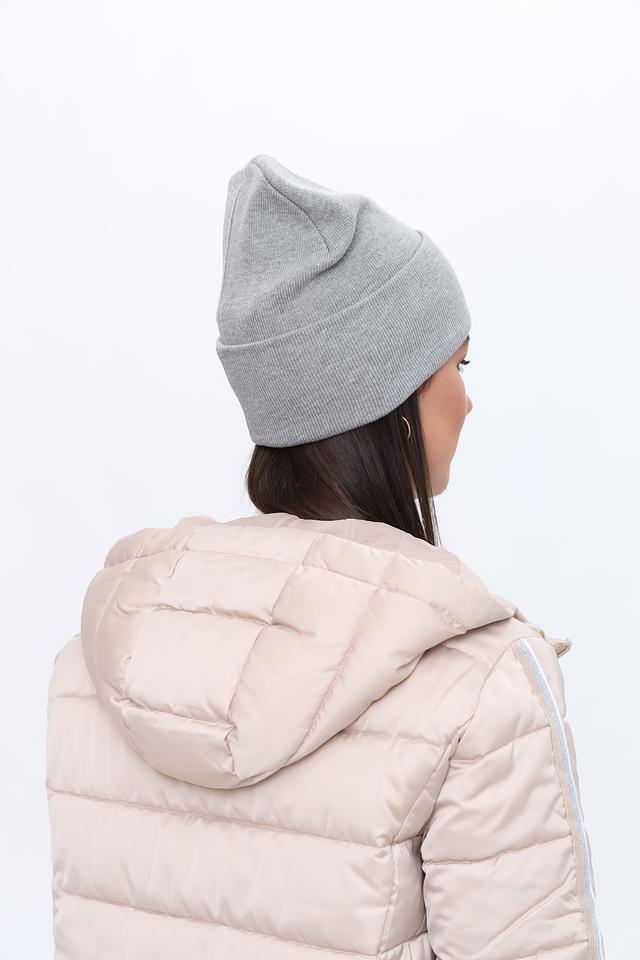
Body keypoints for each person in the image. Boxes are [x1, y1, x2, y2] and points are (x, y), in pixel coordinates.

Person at [46, 154, 604, 959]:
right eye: (458, 364)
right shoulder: (483, 690)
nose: (469, 398)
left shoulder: (90, 674)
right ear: (390, 402)